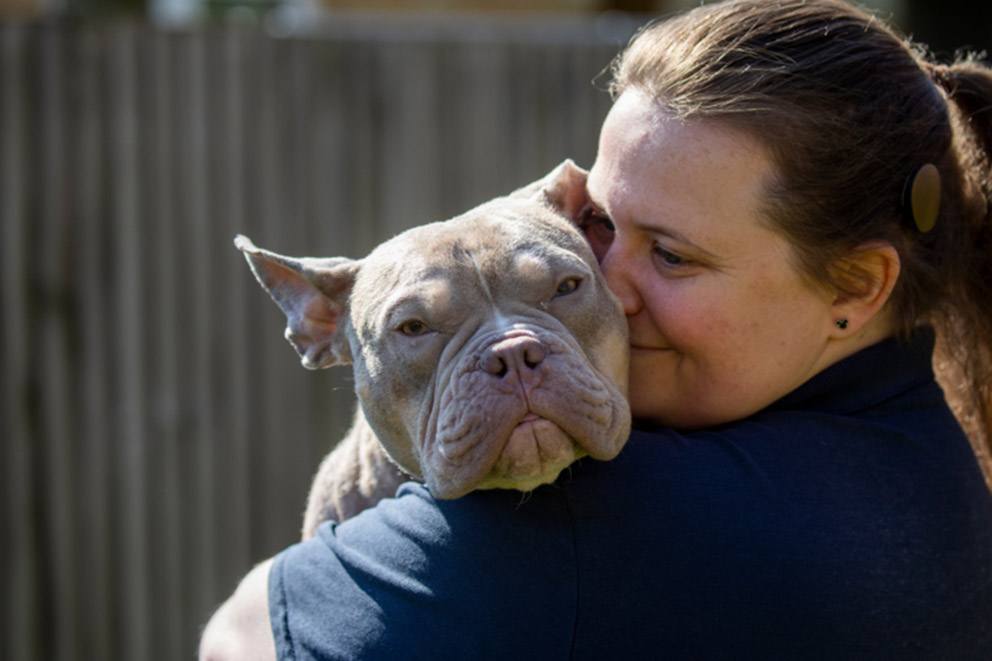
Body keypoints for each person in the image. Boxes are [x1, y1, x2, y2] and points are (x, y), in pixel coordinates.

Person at [200, 1, 992, 658]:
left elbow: (240, 636)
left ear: (856, 284)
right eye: (601, 224)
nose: (605, 287)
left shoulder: (595, 521)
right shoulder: (937, 466)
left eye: (674, 256)